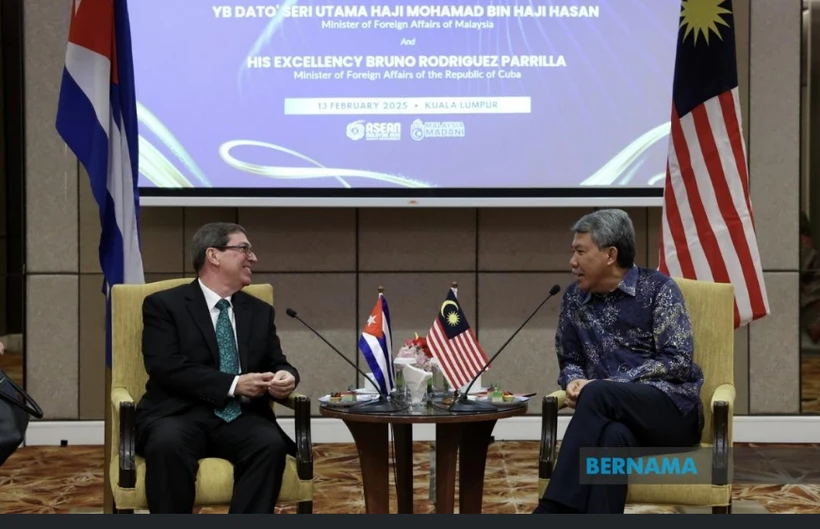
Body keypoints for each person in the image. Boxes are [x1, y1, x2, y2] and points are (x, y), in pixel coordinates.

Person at [533, 209, 704, 514]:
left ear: (610, 254)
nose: (572, 262)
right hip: (612, 416)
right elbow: (569, 358)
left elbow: (677, 361)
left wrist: (609, 385)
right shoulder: (574, 299)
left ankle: (552, 508)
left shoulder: (658, 290)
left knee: (598, 393)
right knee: (613, 439)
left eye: (580, 252)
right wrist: (572, 380)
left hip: (672, 412)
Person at [135, 222, 300, 514]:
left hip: (240, 415)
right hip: (179, 412)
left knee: (269, 445)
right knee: (167, 445)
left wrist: (286, 376)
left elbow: (276, 361)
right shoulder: (164, 305)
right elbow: (165, 366)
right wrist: (233, 384)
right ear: (213, 255)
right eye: (244, 249)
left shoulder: (258, 311)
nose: (253, 258)